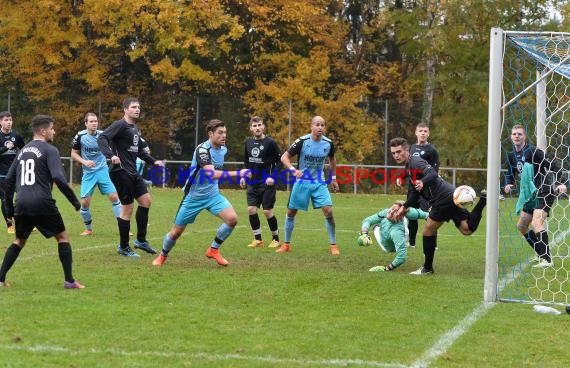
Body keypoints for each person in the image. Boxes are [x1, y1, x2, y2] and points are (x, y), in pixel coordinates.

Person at [0, 115, 84, 289]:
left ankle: (0, 279)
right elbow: (59, 178)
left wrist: (8, 211)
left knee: (19, 240)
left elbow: (8, 181)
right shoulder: (50, 150)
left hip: (21, 203)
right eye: (52, 128)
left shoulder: (22, 151)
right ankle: (69, 281)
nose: (54, 131)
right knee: (62, 237)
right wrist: (75, 202)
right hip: (42, 202)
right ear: (43, 131)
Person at [152, 119, 246, 267]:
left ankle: (213, 250)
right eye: (220, 133)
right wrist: (239, 173)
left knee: (232, 219)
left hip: (213, 195)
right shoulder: (202, 150)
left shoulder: (223, 149)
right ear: (210, 134)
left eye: (225, 132)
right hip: (193, 197)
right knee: (176, 232)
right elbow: (211, 174)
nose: (224, 136)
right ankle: (163, 255)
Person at [390, 137, 486, 275]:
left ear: (407, 150)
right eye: (393, 153)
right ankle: (483, 200)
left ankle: (427, 269)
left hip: (442, 198)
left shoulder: (416, 162)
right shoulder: (409, 167)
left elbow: (433, 173)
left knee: (427, 230)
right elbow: (415, 195)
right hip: (450, 196)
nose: (396, 155)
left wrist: (422, 182)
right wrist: (404, 206)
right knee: (467, 229)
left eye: (399, 151)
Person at [98, 97, 164, 257]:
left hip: (133, 172)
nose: (137, 109)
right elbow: (102, 138)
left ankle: (141, 241)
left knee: (146, 201)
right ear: (126, 110)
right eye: (134, 107)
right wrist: (110, 155)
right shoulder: (119, 125)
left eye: (139, 107)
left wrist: (155, 162)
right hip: (120, 172)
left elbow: (141, 152)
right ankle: (123, 246)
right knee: (127, 208)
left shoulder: (134, 129)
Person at [504, 124, 567, 267]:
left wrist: (560, 182)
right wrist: (508, 184)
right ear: (511, 137)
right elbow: (510, 174)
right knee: (521, 225)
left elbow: (553, 165)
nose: (517, 136)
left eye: (520, 134)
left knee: (537, 223)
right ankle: (540, 254)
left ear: (524, 137)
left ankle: (547, 259)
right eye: (514, 134)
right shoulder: (511, 156)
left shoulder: (533, 151)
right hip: (530, 195)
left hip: (544, 191)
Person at [276, 115, 340, 255]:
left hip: (319, 181)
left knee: (328, 211)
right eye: (317, 124)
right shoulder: (302, 141)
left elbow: (332, 159)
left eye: (322, 125)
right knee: (291, 212)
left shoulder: (328, 143)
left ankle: (333, 245)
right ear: (311, 126)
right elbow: (284, 157)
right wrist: (293, 170)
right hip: (302, 181)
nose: (320, 127)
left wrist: (333, 178)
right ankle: (286, 244)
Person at [71, 113, 121, 236]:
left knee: (114, 197)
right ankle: (88, 229)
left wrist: (112, 156)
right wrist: (84, 161)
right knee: (84, 203)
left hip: (102, 170)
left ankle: (123, 227)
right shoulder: (80, 136)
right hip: (89, 173)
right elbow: (73, 153)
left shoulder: (103, 135)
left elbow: (111, 148)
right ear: (86, 123)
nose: (94, 123)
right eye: (91, 121)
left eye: (96, 121)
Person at [239, 116, 282, 248]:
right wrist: (243, 176)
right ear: (250, 128)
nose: (257, 128)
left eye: (259, 125)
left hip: (267, 182)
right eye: (254, 126)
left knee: (267, 211)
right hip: (252, 182)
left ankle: (276, 239)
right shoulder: (248, 143)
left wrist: (273, 177)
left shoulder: (270, 142)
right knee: (251, 209)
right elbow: (246, 161)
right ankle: (258, 239)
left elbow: (279, 161)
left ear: (263, 127)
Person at [358, 200, 429, 272]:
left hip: (388, 245)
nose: (391, 212)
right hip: (387, 229)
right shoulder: (386, 212)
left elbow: (401, 257)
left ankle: (377, 227)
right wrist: (364, 234)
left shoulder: (397, 233)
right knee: (407, 211)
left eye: (395, 211)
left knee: (405, 216)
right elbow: (368, 220)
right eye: (392, 208)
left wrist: (386, 269)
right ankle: (378, 227)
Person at [406, 122, 439, 248]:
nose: (423, 133)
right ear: (416, 133)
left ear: (428, 134)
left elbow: (434, 172)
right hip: (412, 189)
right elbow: (408, 167)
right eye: (421, 131)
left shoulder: (432, 150)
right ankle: (412, 243)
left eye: (425, 131)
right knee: (411, 215)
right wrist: (401, 177)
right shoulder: (411, 148)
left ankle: (433, 244)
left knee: (430, 217)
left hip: (427, 191)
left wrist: (423, 182)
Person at [0, 111, 25, 234]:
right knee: (5, 200)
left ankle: (24, 221)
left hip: (16, 173)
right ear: (0, 122)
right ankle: (9, 225)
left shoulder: (16, 135)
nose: (9, 122)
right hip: (2, 175)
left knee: (23, 197)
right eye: (6, 120)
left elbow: (24, 149)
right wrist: (6, 147)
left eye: (10, 120)